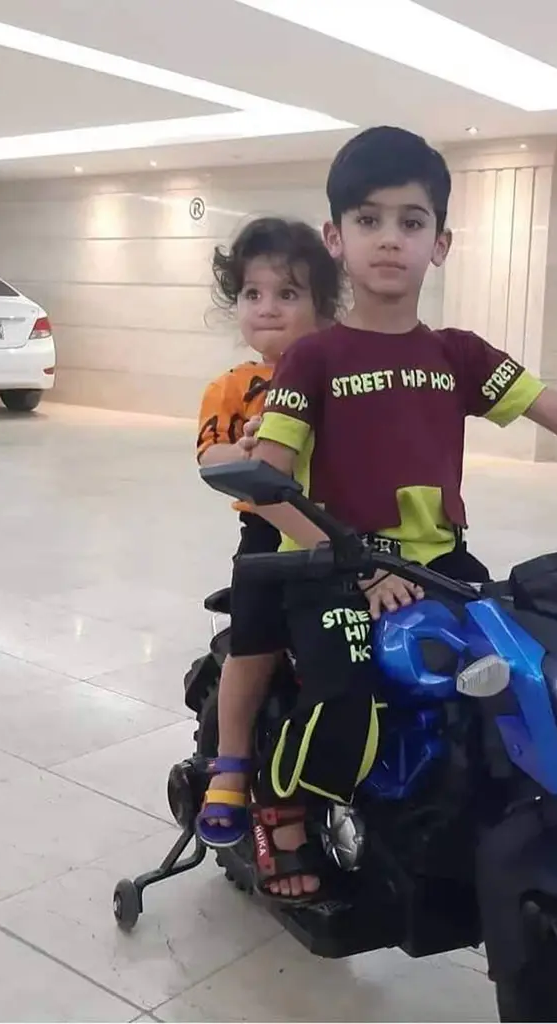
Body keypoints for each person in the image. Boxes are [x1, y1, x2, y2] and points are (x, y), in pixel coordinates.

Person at [243, 126, 557, 902]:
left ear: (440, 244)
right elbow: (268, 482)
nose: (390, 238)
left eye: (411, 221)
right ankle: (282, 813)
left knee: (519, 671)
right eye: (368, 220)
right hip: (337, 567)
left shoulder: (457, 354)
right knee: (343, 696)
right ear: (336, 239)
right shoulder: (314, 358)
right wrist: (357, 565)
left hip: (442, 565)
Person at [193, 216, 340, 886]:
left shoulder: (340, 372)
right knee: (254, 639)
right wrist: (247, 450)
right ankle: (231, 766)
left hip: (344, 529)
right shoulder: (232, 387)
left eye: (288, 293)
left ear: (324, 305)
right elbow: (210, 455)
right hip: (268, 534)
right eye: (253, 294)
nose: (268, 308)